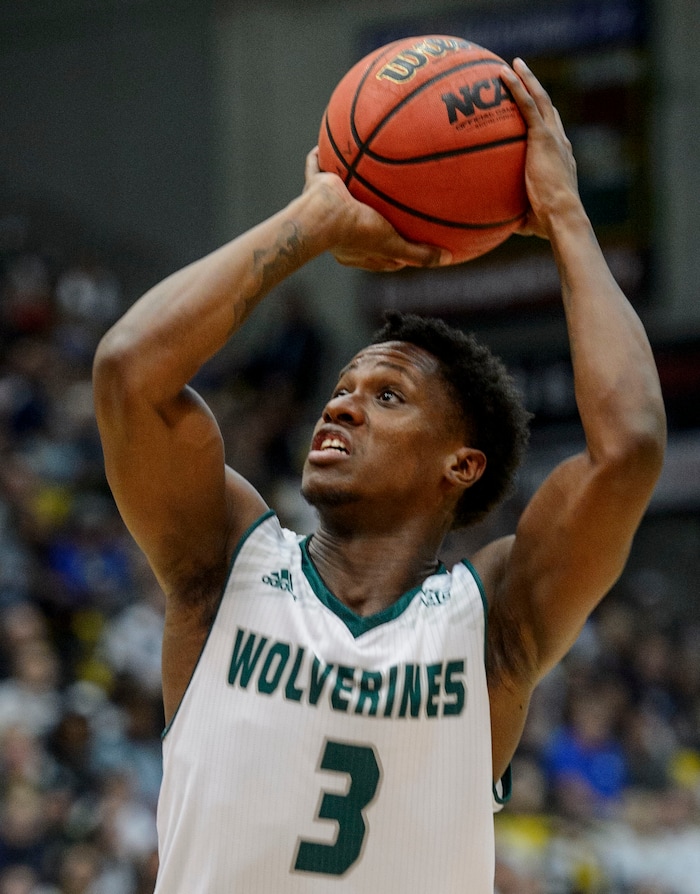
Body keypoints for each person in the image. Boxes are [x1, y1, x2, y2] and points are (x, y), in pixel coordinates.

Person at [92, 59, 666, 893]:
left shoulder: (491, 626)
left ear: (459, 465)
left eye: (387, 394)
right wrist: (311, 221)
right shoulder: (226, 570)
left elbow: (632, 448)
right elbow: (126, 375)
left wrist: (568, 218)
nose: (342, 408)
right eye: (342, 388)